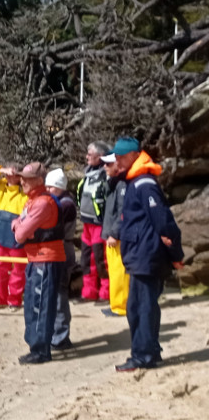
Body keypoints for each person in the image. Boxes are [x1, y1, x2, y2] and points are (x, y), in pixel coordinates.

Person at [110, 137, 184, 371]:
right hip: (142, 255)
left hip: (147, 256)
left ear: (134, 155)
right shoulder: (136, 182)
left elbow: (163, 221)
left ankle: (143, 356)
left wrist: (175, 253)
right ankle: (150, 351)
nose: (117, 162)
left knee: (140, 307)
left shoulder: (144, 184)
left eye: (121, 157)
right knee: (142, 306)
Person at [11, 162, 66, 364]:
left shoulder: (42, 203)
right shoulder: (32, 202)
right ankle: (38, 346)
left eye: (27, 177)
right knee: (33, 304)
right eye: (22, 177)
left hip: (46, 259)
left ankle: (41, 350)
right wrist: (20, 226)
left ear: (39, 181)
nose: (22, 180)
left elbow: (20, 234)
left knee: (40, 305)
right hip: (37, 258)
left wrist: (21, 227)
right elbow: (18, 225)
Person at [0, 162, 27, 309]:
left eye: (13, 173)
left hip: (17, 238)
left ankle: (14, 300)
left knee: (18, 270)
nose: (9, 175)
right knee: (0, 269)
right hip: (0, 237)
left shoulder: (24, 192)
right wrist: (0, 169)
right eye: (8, 172)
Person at [45, 168, 77, 350]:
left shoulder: (65, 204)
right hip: (61, 248)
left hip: (63, 249)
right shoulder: (61, 201)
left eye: (51, 187)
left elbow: (52, 226)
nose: (48, 191)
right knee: (56, 293)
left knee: (59, 294)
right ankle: (56, 335)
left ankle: (61, 337)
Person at [76, 142, 111, 301]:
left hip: (100, 224)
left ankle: (106, 292)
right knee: (86, 259)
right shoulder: (88, 172)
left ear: (101, 156)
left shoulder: (107, 174)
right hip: (86, 223)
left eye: (90, 155)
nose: (87, 157)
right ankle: (89, 291)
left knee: (100, 259)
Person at [99, 153, 130, 317]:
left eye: (109, 164)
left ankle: (121, 306)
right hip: (110, 234)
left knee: (120, 271)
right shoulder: (114, 183)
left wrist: (114, 233)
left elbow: (122, 212)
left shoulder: (122, 185)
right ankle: (115, 303)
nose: (105, 167)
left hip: (116, 237)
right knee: (114, 271)